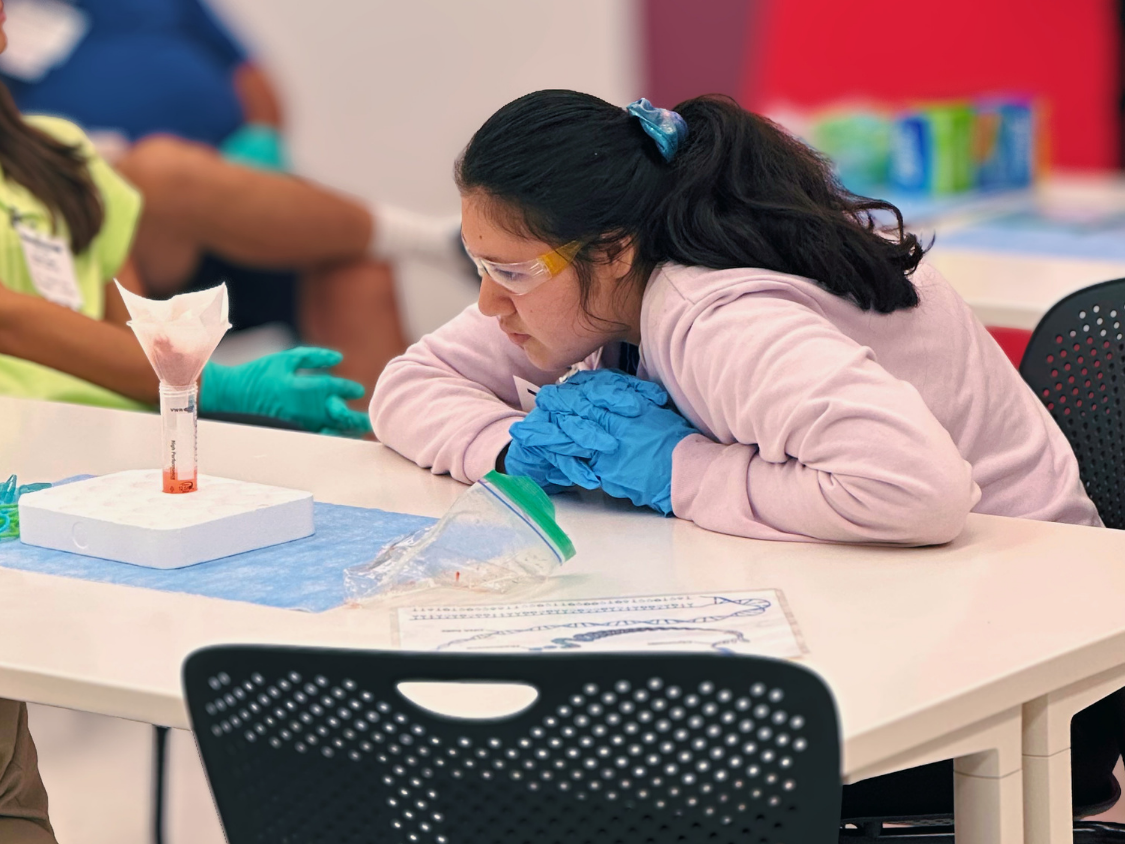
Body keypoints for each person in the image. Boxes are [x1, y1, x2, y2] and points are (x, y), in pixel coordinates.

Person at [370, 90, 1116, 818]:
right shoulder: (607, 276)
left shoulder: (719, 316)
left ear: (614, 249)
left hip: (1027, 665)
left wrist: (677, 469)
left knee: (588, 775)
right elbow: (410, 385)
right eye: (480, 267)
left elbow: (916, 492)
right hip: (880, 605)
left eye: (511, 272)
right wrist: (513, 451)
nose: (490, 305)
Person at [0, 0, 466, 393]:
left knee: (355, 264)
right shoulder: (16, 23)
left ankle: (377, 463)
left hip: (226, 205)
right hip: (137, 227)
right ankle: (432, 239)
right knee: (162, 169)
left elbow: (257, 86)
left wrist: (260, 142)